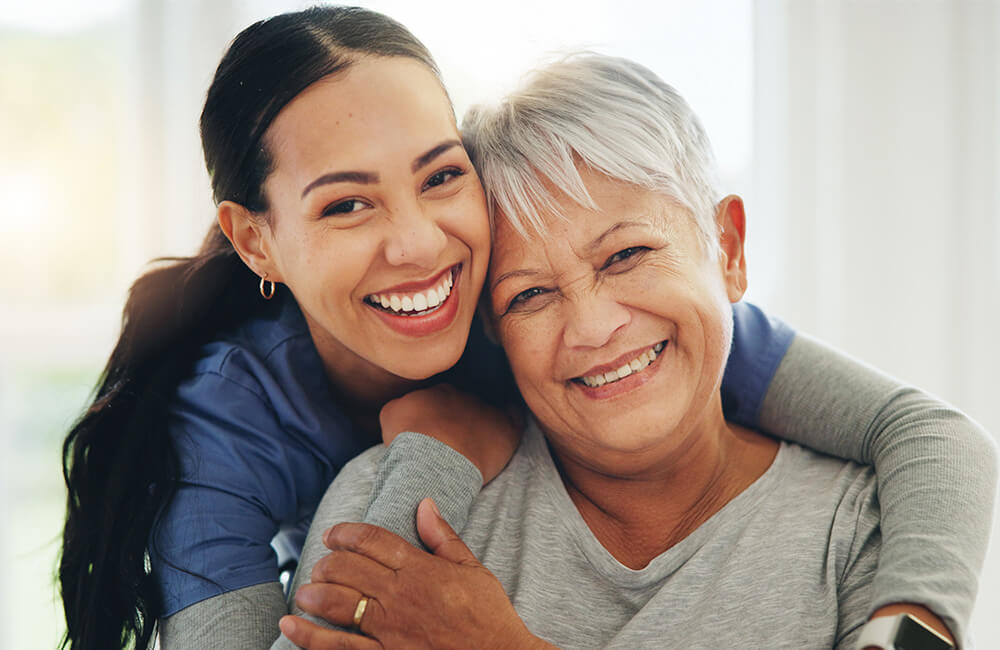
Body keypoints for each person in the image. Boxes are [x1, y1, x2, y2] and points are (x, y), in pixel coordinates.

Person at [56, 7, 994, 650]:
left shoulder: (633, 336)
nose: (421, 245)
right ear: (256, 238)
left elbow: (928, 434)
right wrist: (430, 462)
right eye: (347, 205)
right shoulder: (230, 433)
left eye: (439, 175)